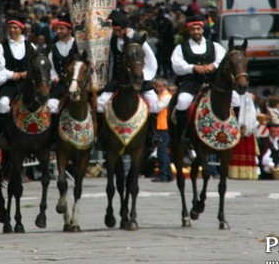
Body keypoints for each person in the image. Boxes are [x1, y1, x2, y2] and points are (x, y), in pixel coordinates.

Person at [96, 10, 161, 146]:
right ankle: (101, 136)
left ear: (125, 28)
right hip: (117, 80)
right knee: (100, 104)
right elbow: (113, 61)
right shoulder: (113, 41)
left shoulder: (138, 39)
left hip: (139, 79)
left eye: (118, 30)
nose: (116, 33)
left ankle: (152, 135)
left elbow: (151, 60)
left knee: (154, 104)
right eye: (115, 30)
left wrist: (144, 77)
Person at [170, 15, 226, 142]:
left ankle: (234, 128)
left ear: (203, 30)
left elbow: (223, 59)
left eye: (198, 29)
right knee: (183, 101)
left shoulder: (215, 46)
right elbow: (176, 66)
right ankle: (182, 134)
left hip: (213, 82)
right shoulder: (181, 48)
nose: (196, 32)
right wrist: (193, 67)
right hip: (191, 82)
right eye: (193, 29)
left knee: (235, 98)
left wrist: (214, 65)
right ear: (189, 30)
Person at [0, 15, 36, 146]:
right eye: (10, 27)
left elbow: (37, 66)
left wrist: (28, 73)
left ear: (21, 29)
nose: (12, 30)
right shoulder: (2, 47)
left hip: (27, 85)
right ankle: (4, 135)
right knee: (3, 103)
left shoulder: (30, 46)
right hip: (9, 85)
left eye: (15, 27)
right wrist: (10, 74)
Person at [47, 13, 78, 116]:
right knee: (51, 104)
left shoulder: (78, 45)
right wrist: (54, 77)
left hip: (76, 85)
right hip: (60, 85)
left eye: (62, 28)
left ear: (70, 30)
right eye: (57, 28)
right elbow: (51, 67)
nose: (58, 31)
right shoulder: (53, 47)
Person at [151, 79, 173, 182]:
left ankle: (164, 175)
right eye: (157, 87)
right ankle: (168, 174)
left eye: (160, 87)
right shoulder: (160, 96)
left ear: (165, 86)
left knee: (162, 152)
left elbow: (157, 108)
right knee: (162, 152)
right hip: (160, 126)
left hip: (163, 126)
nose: (158, 89)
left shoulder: (167, 96)